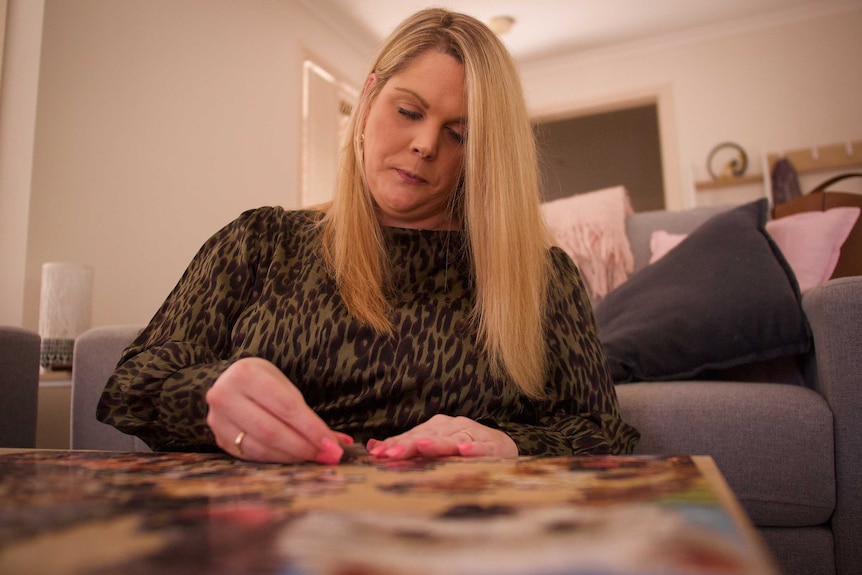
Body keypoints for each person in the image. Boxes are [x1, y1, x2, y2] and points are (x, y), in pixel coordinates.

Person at [97, 8, 639, 464]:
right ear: (368, 99)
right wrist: (208, 397)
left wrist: (511, 443)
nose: (425, 144)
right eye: (408, 111)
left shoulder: (540, 276)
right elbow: (130, 388)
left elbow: (604, 433)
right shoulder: (260, 241)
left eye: (459, 136)